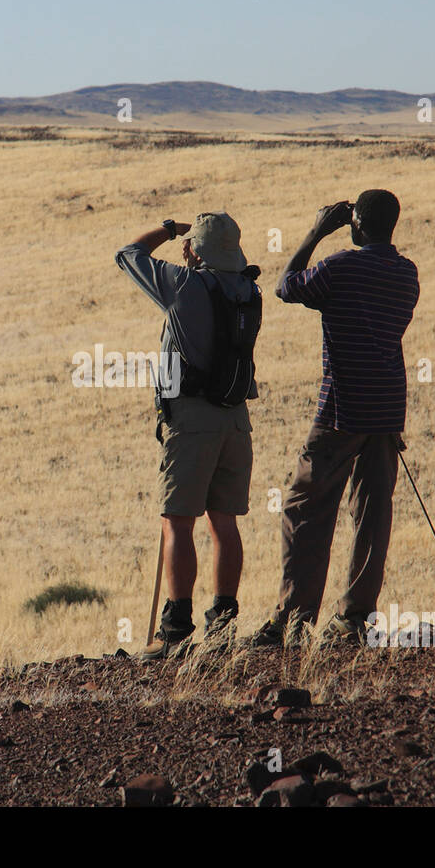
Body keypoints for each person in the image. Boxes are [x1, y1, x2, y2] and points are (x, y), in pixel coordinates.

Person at [251, 190, 419, 648]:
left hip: (342, 408)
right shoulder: (406, 274)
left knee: (304, 508)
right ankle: (354, 617)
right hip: (386, 410)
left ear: (355, 225)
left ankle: (292, 619)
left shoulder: (342, 266)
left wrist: (316, 231)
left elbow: (287, 287)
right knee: (371, 511)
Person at [115, 212, 260, 660]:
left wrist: (169, 229)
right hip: (235, 419)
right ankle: (223, 626)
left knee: (177, 521)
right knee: (224, 522)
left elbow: (128, 254)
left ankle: (175, 631)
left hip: (192, 419)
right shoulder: (249, 291)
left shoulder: (184, 286)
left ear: (196, 249)